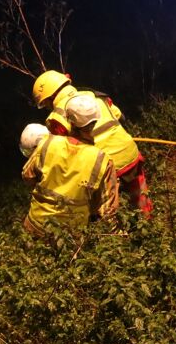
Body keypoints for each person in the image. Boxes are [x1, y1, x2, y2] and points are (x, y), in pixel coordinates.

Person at [32, 71, 152, 215]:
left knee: (106, 210)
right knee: (141, 197)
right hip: (130, 153)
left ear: (51, 97)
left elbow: (65, 153)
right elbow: (118, 115)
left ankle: (116, 232)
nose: (46, 107)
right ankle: (149, 221)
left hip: (107, 167)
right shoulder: (95, 96)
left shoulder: (56, 119)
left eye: (45, 103)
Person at [19, 116, 119, 237]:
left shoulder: (47, 145)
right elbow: (108, 209)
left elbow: (27, 176)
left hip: (36, 224)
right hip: (72, 232)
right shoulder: (101, 159)